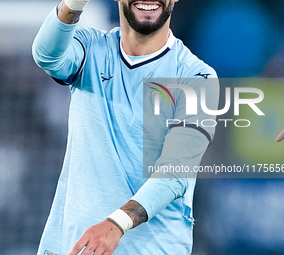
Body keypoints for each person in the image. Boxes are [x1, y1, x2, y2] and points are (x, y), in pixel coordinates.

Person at [32, 0, 219, 254]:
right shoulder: (91, 50)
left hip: (151, 248)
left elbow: (175, 174)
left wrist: (115, 224)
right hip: (74, 245)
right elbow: (46, 55)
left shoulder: (197, 78)